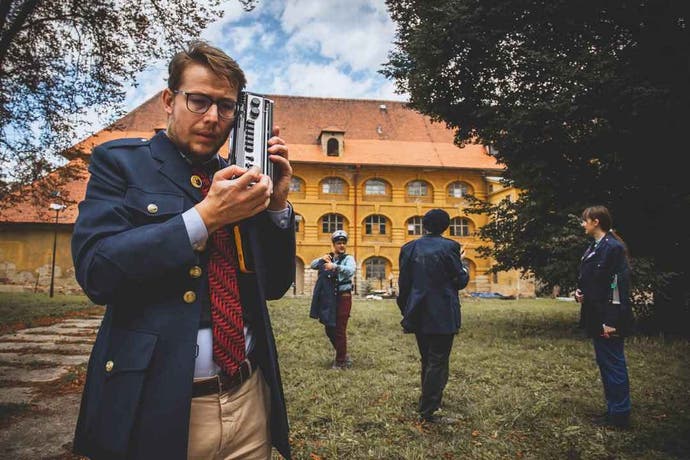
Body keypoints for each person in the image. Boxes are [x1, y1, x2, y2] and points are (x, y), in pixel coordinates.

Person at [71, 41, 295, 459]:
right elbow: (96, 272)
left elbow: (277, 285)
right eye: (199, 101)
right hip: (156, 406)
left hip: (248, 398)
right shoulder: (120, 163)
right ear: (169, 100)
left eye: (226, 107)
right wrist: (205, 217)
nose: (213, 118)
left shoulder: (238, 178)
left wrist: (277, 205)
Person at [396, 209, 469, 424]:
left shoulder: (408, 248)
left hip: (417, 310)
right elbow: (460, 280)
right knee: (438, 360)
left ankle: (428, 400)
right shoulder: (450, 247)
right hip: (443, 312)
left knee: (427, 358)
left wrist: (406, 309)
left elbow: (404, 284)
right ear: (445, 227)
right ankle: (429, 409)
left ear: (424, 225)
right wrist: (463, 264)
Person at [575, 205, 634, 429]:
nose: (583, 224)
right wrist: (580, 292)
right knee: (606, 362)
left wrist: (611, 321)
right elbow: (590, 279)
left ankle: (620, 415)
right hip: (595, 314)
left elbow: (617, 285)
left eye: (585, 220)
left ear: (596, 221)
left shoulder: (613, 248)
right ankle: (613, 409)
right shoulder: (594, 247)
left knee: (613, 363)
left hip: (609, 317)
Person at [309, 230, 356, 369]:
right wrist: (322, 259)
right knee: (329, 328)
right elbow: (312, 265)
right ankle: (344, 354)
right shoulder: (329, 257)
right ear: (333, 244)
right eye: (338, 243)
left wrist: (334, 266)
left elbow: (350, 270)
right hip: (330, 298)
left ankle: (341, 361)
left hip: (344, 297)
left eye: (343, 243)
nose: (341, 245)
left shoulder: (348, 258)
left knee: (339, 329)